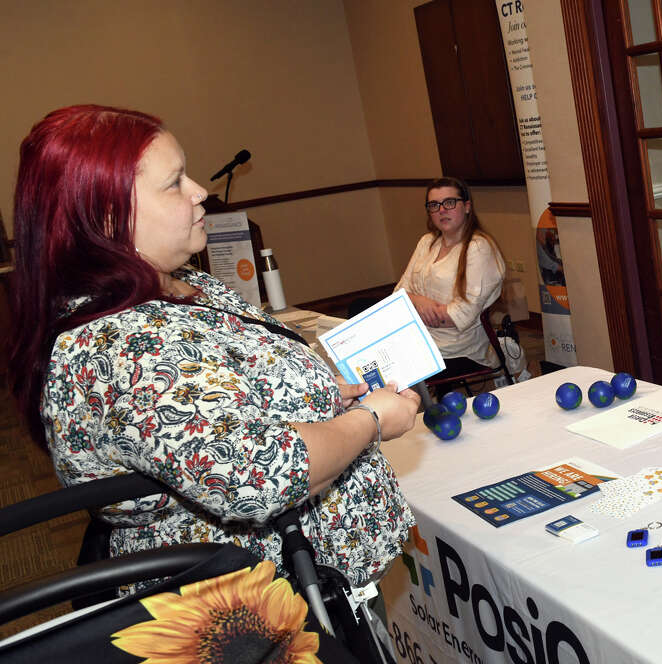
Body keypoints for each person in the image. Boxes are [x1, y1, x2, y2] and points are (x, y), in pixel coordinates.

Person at [7, 105, 422, 586]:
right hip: (254, 606)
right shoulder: (117, 348)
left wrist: (318, 396)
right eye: (174, 181)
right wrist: (370, 420)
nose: (200, 190)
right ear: (106, 214)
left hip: (319, 572)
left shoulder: (180, 282)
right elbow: (264, 476)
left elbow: (227, 391)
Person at [397, 177, 506, 389]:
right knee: (370, 362)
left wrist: (412, 309)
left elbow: (462, 315)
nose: (441, 210)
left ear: (466, 206)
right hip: (418, 339)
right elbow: (397, 294)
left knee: (392, 371)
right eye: (434, 205)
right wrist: (421, 302)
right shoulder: (426, 242)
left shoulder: (478, 247)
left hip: (458, 348)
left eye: (449, 203)